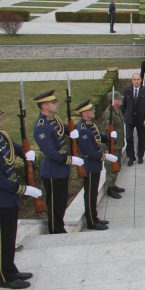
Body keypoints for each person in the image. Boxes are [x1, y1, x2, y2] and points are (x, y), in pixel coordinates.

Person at [32, 90, 84, 234]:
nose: (57, 104)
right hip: (53, 171)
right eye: (53, 102)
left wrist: (72, 131)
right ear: (44, 106)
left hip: (61, 170)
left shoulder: (53, 119)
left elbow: (62, 129)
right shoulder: (41, 127)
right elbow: (52, 154)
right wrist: (70, 160)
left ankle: (59, 227)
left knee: (61, 202)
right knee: (55, 205)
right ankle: (56, 231)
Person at [0, 106, 40, 289]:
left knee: (10, 236)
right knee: (3, 238)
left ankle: (10, 268)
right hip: (2, 198)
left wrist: (26, 154)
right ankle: (5, 277)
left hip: (10, 197)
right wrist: (22, 189)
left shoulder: (3, 135)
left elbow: (14, 148)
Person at [74, 100, 117, 230]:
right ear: (85, 113)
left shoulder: (90, 125)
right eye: (91, 110)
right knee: (90, 194)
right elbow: (90, 152)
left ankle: (95, 217)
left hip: (95, 165)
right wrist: (105, 156)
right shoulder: (82, 129)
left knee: (93, 194)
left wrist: (108, 136)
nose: (93, 111)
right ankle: (91, 222)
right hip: (90, 166)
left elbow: (97, 137)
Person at [121, 73, 145, 166]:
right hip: (129, 119)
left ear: (141, 80)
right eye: (134, 79)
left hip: (141, 119)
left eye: (138, 79)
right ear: (132, 80)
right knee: (129, 138)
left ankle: (140, 156)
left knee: (141, 139)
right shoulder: (127, 90)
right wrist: (123, 116)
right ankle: (131, 156)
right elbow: (123, 105)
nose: (136, 81)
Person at [101, 90, 125, 199]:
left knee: (117, 166)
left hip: (118, 144)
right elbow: (106, 131)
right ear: (114, 100)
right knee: (111, 167)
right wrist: (107, 147)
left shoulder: (117, 110)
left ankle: (113, 184)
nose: (122, 99)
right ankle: (110, 188)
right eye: (119, 98)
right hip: (112, 145)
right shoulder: (108, 113)